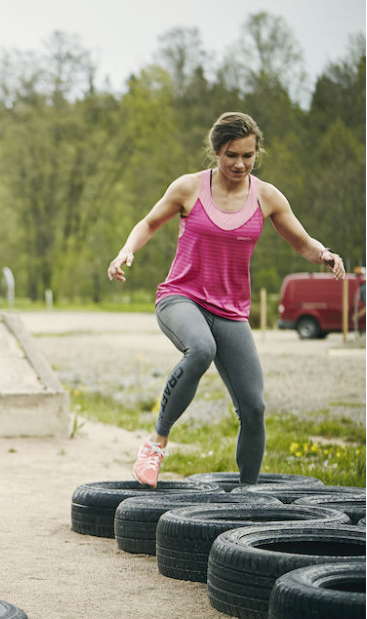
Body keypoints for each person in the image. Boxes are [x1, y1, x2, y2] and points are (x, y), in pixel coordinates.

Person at [107, 111, 344, 488]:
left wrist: (324, 254)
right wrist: (125, 252)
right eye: (232, 154)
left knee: (253, 408)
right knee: (199, 349)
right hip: (181, 298)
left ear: (256, 154)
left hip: (231, 312)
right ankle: (156, 443)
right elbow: (149, 222)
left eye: (248, 156)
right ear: (217, 151)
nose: (240, 163)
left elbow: (302, 240)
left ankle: (247, 495)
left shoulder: (266, 196)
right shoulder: (189, 188)